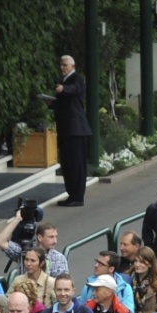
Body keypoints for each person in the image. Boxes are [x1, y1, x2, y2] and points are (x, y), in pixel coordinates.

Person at [52, 55, 92, 207]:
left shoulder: (76, 78)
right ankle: (72, 194)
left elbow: (76, 89)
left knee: (76, 164)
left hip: (76, 130)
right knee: (68, 164)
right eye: (61, 65)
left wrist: (64, 89)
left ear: (72, 66)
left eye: (65, 65)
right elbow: (65, 104)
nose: (62, 67)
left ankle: (77, 196)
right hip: (67, 129)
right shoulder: (63, 81)